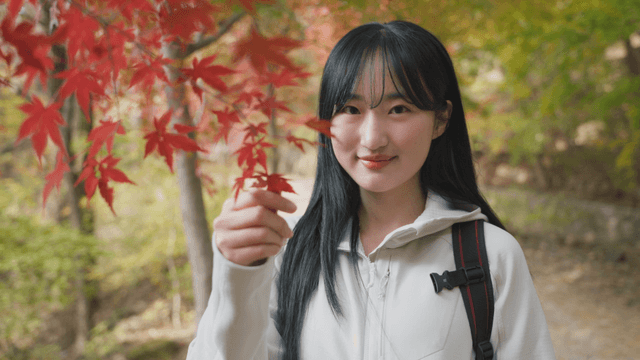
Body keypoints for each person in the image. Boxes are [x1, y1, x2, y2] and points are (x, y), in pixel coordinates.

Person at [186, 20, 556, 360]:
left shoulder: (491, 255)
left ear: (441, 119)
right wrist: (239, 273)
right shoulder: (289, 253)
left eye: (399, 109)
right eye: (350, 108)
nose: (372, 138)